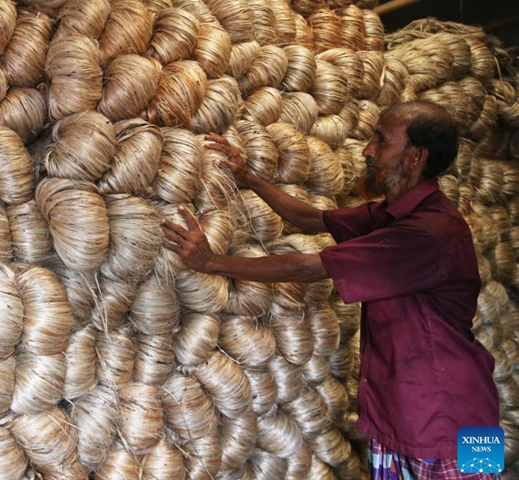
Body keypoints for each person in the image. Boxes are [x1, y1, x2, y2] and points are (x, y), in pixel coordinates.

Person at [161, 101, 500, 479]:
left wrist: (210, 262)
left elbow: (309, 267)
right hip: (423, 412)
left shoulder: (427, 232)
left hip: (450, 421)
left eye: (381, 140)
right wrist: (248, 178)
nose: (367, 150)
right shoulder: (395, 215)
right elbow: (313, 219)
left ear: (414, 157)